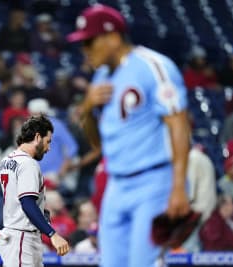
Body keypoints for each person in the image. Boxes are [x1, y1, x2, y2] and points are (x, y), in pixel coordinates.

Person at [66, 4, 190, 266]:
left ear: (112, 37)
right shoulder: (101, 77)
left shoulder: (153, 66)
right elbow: (98, 144)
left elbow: (179, 124)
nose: (85, 51)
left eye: (90, 42)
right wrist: (88, 108)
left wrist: (178, 187)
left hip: (154, 180)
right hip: (116, 184)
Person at [0, 115, 69, 267]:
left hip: (15, 234)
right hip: (22, 237)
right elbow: (27, 202)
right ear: (37, 137)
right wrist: (52, 234)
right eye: (48, 141)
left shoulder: (7, 159)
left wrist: (43, 214)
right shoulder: (28, 163)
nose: (48, 148)